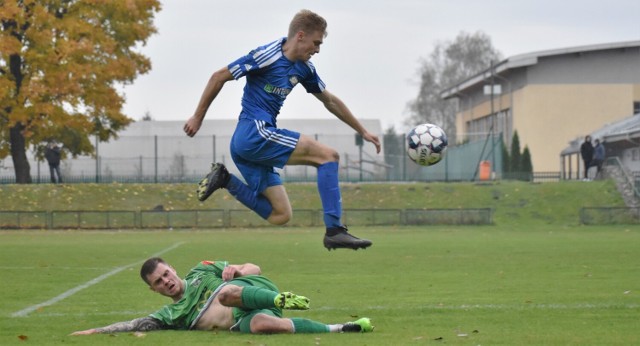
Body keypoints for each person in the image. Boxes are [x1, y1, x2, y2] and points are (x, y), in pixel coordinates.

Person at [183, 9, 380, 251]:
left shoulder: (305, 68)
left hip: (248, 147)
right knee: (329, 156)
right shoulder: (266, 55)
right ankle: (335, 230)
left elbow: (329, 100)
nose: (318, 49)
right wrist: (197, 116)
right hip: (254, 134)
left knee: (281, 214)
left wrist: (362, 131)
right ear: (300, 35)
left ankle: (225, 179)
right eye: (316, 43)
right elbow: (218, 77)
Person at [71, 257, 373, 335]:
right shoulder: (170, 316)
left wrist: (239, 268)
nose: (167, 282)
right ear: (154, 290)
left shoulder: (201, 271)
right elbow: (135, 324)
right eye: (159, 283)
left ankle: (279, 299)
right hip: (246, 319)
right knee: (260, 328)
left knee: (227, 293)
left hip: (255, 290)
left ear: (173, 270)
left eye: (166, 274)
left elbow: (256, 267)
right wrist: (96, 331)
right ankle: (340, 328)